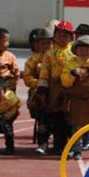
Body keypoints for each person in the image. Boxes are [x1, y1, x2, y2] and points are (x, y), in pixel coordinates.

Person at [61, 34, 89, 159]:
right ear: (75, 50)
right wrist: (72, 75)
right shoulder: (70, 64)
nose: (84, 52)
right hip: (76, 101)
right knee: (76, 128)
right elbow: (64, 82)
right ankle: (77, 151)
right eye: (81, 49)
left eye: (87, 49)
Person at [36, 20, 76, 154]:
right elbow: (44, 73)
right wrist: (42, 90)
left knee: (70, 117)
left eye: (66, 35)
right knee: (56, 116)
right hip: (54, 88)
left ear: (72, 37)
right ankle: (58, 145)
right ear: (54, 36)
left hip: (70, 88)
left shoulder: (74, 53)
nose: (62, 38)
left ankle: (73, 146)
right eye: (59, 35)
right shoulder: (49, 54)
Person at [23, 27, 54, 155]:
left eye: (48, 42)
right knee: (42, 115)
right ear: (37, 44)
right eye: (43, 43)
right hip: (40, 93)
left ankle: (61, 143)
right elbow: (27, 77)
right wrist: (41, 84)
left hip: (56, 92)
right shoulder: (33, 60)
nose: (46, 45)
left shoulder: (58, 57)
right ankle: (43, 143)